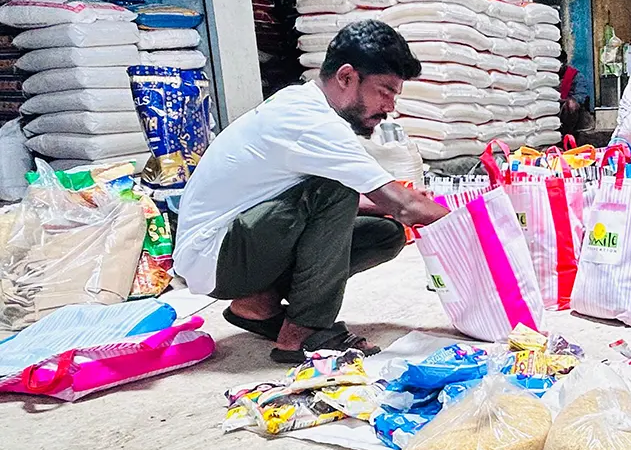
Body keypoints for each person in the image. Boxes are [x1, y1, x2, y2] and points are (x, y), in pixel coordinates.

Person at [173, 20, 449, 363]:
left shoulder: (306, 105)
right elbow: (402, 205)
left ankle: (255, 305)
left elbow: (385, 208)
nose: (390, 106)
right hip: (215, 255)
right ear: (347, 77)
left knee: (385, 234)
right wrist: (484, 225)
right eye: (385, 91)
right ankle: (303, 333)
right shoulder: (311, 121)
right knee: (336, 190)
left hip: (236, 246)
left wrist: (395, 206)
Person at [558, 53, 590, 135]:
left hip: (568, 111)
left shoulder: (576, 76)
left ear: (564, 62)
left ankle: (567, 133)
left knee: (571, 104)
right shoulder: (547, 76)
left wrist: (564, 100)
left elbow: (581, 96)